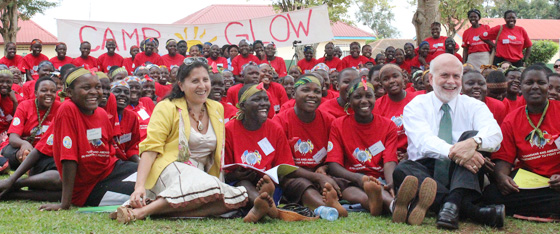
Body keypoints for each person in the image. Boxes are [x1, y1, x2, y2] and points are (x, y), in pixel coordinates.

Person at [112, 60, 250, 223]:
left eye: (205, 80)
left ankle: (156, 211)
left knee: (235, 198)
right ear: (181, 85)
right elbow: (150, 149)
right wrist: (139, 186)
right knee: (213, 189)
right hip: (170, 167)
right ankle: (140, 213)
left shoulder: (216, 108)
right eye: (195, 81)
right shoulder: (167, 107)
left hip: (202, 174)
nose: (202, 86)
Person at [392, 54, 504, 229]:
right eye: (444, 75)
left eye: (456, 76)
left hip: (463, 173)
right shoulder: (416, 106)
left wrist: (473, 143)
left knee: (472, 135)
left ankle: (444, 204)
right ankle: (470, 210)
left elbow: (495, 135)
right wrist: (459, 151)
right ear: (431, 78)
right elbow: (423, 142)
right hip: (428, 168)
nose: (451, 81)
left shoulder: (474, 106)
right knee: (402, 170)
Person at [39, 67, 138, 211]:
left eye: (97, 87)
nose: (94, 92)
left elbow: (108, 148)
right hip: (90, 187)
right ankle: (14, 191)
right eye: (86, 88)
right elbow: (69, 158)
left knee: (151, 175)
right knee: (143, 195)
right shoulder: (68, 109)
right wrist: (65, 204)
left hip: (111, 170)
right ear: (70, 93)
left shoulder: (101, 114)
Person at [484, 65, 560, 218]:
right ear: (521, 87)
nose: (535, 87)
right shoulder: (512, 120)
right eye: (529, 83)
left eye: (541, 83)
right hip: (531, 181)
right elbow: (504, 159)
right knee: (491, 194)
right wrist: (502, 178)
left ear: (548, 87)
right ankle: (551, 209)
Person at [272, 75, 347, 217]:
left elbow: (335, 153)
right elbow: (284, 166)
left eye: (317, 91)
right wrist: (317, 178)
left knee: (341, 182)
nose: (312, 95)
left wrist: (324, 168)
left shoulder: (329, 120)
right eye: (306, 90)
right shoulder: (280, 121)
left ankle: (373, 201)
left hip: (321, 173)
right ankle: (327, 208)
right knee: (302, 185)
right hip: (293, 175)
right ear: (294, 94)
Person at [326, 77, 397, 216]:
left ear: (375, 98)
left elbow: (389, 160)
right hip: (350, 178)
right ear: (349, 101)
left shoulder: (388, 125)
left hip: (378, 178)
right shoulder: (338, 125)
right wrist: (358, 178)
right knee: (346, 188)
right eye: (358, 97)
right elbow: (334, 165)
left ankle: (392, 205)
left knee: (377, 186)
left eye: (368, 96)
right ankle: (379, 204)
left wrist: (390, 184)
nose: (364, 101)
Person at [1, 76, 60, 171]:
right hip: (23, 148)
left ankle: (32, 165)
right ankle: (31, 164)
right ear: (36, 93)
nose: (49, 94)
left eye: (53, 91)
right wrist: (24, 144)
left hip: (46, 150)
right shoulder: (24, 106)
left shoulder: (61, 108)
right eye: (44, 90)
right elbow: (13, 138)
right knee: (12, 152)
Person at [374, 64, 418, 162]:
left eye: (395, 76)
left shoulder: (417, 100)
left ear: (403, 78)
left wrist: (408, 153)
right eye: (386, 79)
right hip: (388, 156)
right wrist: (390, 153)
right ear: (381, 84)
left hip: (415, 153)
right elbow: (376, 138)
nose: (392, 81)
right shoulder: (377, 105)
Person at [124, 76, 155, 141]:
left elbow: (156, 123)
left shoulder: (147, 101)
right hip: (133, 145)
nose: (134, 89)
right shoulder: (122, 108)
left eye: (137, 88)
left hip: (151, 143)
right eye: (130, 87)